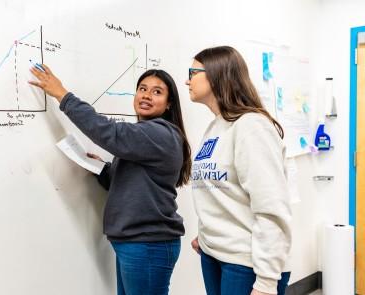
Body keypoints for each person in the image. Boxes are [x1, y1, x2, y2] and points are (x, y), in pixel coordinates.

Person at [29, 66, 192, 295]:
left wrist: (62, 95)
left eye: (157, 92)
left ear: (169, 104)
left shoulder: (160, 133)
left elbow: (109, 133)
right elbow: (132, 183)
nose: (146, 95)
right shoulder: (146, 135)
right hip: (135, 243)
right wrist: (102, 169)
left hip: (148, 244)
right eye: (142, 89)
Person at [186, 46, 292, 295]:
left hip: (247, 262)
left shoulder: (252, 127)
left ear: (215, 74)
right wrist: (207, 234)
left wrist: (266, 282)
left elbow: (272, 208)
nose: (187, 79)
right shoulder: (216, 127)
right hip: (214, 254)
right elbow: (218, 192)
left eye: (193, 72)